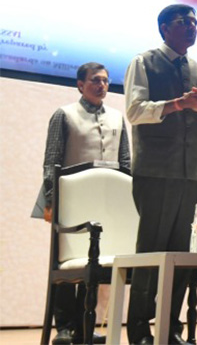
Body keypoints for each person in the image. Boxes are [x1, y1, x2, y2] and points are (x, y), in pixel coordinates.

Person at [124, 4, 197, 345]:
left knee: (182, 252)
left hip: (193, 172)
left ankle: (170, 329)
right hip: (155, 170)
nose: (193, 27)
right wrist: (179, 104)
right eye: (185, 22)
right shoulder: (144, 62)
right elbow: (136, 111)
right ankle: (139, 329)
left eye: (196, 22)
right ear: (165, 28)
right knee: (151, 249)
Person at [33, 62, 128, 344]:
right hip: (71, 200)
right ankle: (63, 328)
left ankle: (84, 324)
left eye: (106, 81)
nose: (102, 85)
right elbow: (52, 160)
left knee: (96, 263)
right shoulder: (64, 115)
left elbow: (126, 162)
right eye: (95, 80)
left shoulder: (118, 117)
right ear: (80, 84)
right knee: (66, 264)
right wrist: (52, 200)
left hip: (107, 201)